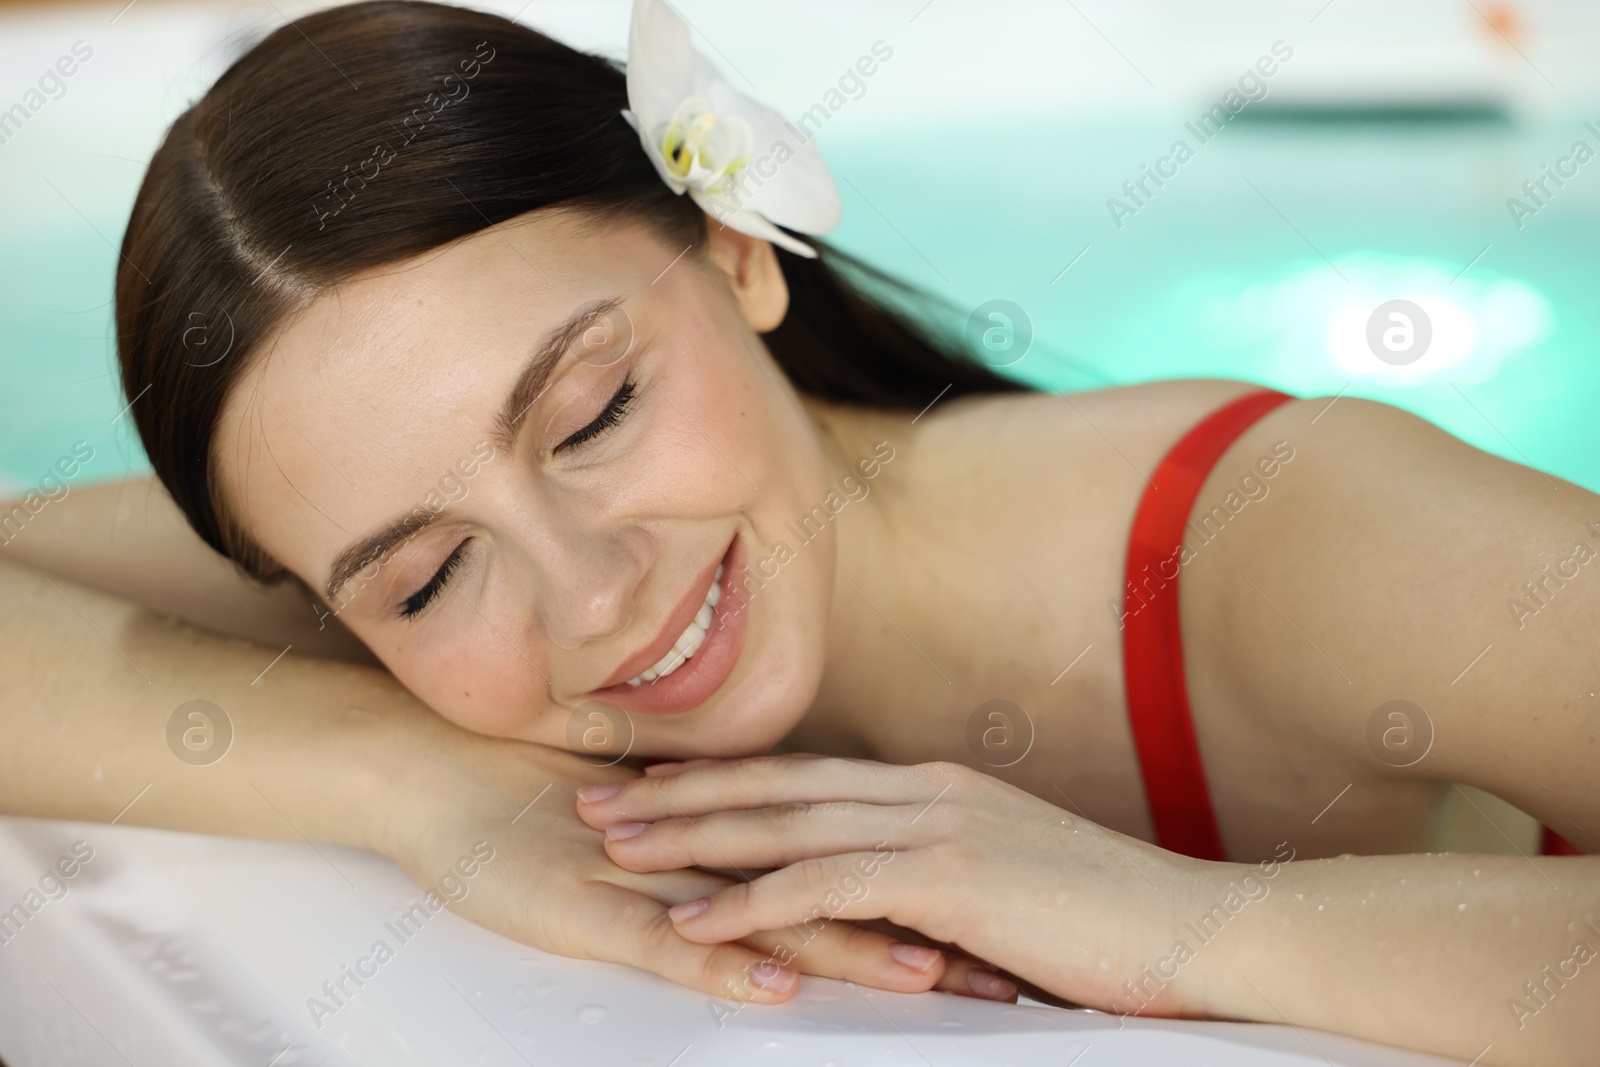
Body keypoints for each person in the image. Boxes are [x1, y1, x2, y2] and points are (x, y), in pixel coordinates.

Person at [3, 1, 1592, 1063]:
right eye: (423, 576)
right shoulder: (453, 675)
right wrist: (406, 779)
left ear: (737, 251)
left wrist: (1177, 918)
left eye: (594, 416)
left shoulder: (1280, 533)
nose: (592, 599)